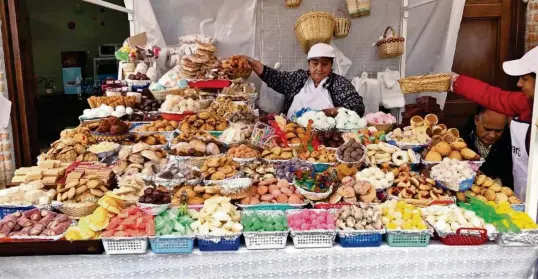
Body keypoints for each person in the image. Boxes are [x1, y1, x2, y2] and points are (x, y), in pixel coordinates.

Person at [451, 45, 537, 200]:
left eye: (525, 79)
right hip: (523, 193)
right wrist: (456, 82)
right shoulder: (526, 102)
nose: (519, 84)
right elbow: (493, 96)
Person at [243, 43, 365, 118]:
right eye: (315, 63)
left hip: (325, 138)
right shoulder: (298, 78)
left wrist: (326, 112)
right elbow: (273, 76)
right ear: (308, 63)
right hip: (292, 133)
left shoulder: (339, 83)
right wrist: (250, 61)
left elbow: (357, 107)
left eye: (325, 64)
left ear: (331, 65)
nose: (319, 69)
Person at [461, 107, 513, 188]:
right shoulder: (460, 140)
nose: (492, 135)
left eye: (498, 131)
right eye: (487, 129)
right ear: (477, 120)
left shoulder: (510, 144)